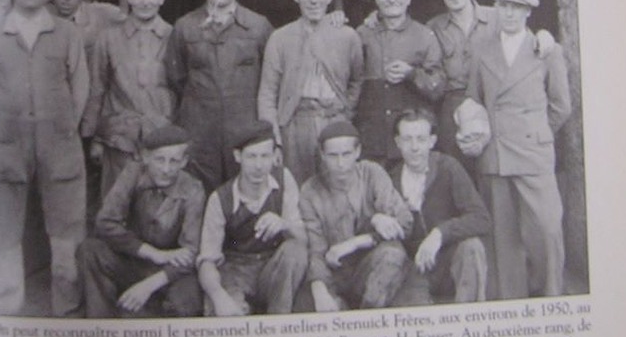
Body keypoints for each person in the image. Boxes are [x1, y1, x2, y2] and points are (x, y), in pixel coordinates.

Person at [0, 0, 89, 317]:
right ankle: (9, 305)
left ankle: (67, 304)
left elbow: (80, 85)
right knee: (6, 222)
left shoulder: (66, 33)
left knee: (66, 223)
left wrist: (64, 128)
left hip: (58, 142)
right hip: (8, 144)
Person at [466, 0, 571, 300]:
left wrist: (538, 133)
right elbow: (473, 100)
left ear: (527, 13)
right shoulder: (482, 50)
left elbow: (561, 106)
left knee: (547, 227)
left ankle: (551, 292)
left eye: (515, 7)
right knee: (504, 234)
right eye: (502, 6)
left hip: (533, 152)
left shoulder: (547, 51)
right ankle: (512, 300)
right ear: (495, 9)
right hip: (496, 154)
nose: (508, 13)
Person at [427, 0, 555, 168]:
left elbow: (527, 43)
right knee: (458, 176)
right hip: (453, 111)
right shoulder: (433, 27)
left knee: (494, 179)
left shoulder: (499, 16)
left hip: (494, 107)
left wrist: (544, 34)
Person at [164, 0, 273, 190]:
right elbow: (176, 78)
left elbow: (271, 79)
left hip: (245, 131)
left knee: (246, 194)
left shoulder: (259, 26)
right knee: (200, 194)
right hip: (200, 132)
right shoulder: (185, 27)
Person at [77, 124, 204, 318]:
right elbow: (105, 223)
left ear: (184, 162)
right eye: (159, 160)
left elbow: (191, 252)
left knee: (187, 304)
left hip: (170, 271)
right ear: (146, 157)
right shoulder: (133, 173)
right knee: (90, 250)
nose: (166, 169)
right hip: (135, 259)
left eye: (174, 161)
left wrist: (148, 285)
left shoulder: (194, 190)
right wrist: (154, 254)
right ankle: (102, 323)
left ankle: (149, 316)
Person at [258, 0, 364, 185]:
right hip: (296, 125)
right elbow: (268, 93)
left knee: (337, 185)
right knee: (297, 186)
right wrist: (274, 141)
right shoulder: (280, 37)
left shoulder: (347, 36)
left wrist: (345, 113)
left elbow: (357, 80)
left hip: (334, 120)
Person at [80, 0, 175, 197]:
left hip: (161, 142)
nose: (145, 1)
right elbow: (97, 89)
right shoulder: (108, 38)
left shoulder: (174, 36)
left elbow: (182, 90)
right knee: (115, 210)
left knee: (156, 215)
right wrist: (94, 139)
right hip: (119, 141)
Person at [298, 121, 413, 311]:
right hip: (334, 274)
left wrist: (362, 237)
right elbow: (315, 249)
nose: (341, 164)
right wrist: (321, 291)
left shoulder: (372, 173)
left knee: (392, 253)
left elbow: (405, 223)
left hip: (371, 269)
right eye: (333, 156)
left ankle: (368, 319)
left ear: (358, 152)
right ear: (322, 155)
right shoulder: (310, 191)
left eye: (346, 154)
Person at [196, 121, 307, 316]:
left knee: (294, 249)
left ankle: (279, 320)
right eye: (251, 156)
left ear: (274, 156)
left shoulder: (284, 179)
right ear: (238, 157)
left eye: (265, 156)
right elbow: (207, 261)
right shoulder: (220, 198)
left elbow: (304, 238)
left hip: (272, 268)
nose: (258, 165)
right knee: (229, 317)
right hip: (235, 271)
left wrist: (284, 224)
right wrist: (219, 297)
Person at [386, 110, 490, 304]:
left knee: (472, 247)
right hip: (413, 269)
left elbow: (481, 218)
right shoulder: (390, 178)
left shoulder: (448, 168)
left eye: (421, 139)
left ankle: (473, 320)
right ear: (398, 142)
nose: (415, 147)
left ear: (432, 141)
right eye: (407, 140)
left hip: (447, 262)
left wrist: (440, 234)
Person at [354, 0, 444, 165]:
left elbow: (438, 88)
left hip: (410, 144)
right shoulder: (361, 34)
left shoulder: (425, 36)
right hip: (371, 142)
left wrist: (412, 74)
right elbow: (350, 83)